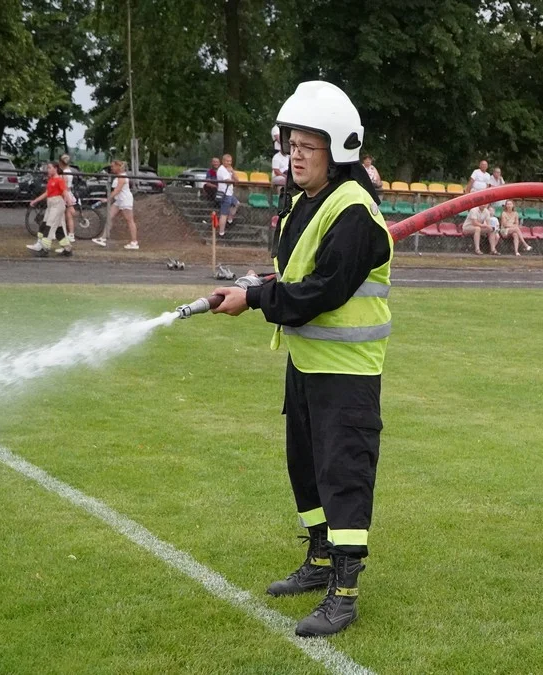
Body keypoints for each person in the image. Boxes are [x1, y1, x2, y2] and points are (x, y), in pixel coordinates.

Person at [210, 80, 392, 638]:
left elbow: (321, 291)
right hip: (309, 366)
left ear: (337, 151)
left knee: (344, 477)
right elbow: (294, 275)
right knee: (306, 471)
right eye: (291, 144)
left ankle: (345, 591)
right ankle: (317, 563)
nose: (295, 155)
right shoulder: (304, 203)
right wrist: (256, 282)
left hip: (347, 373)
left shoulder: (353, 210)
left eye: (307, 147)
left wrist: (256, 298)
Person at [93, 159, 139, 249]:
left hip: (125, 200)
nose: (111, 168)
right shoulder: (118, 176)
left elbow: (117, 190)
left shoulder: (122, 177)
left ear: (118, 167)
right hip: (119, 200)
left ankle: (134, 242)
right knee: (109, 217)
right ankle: (103, 238)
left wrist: (107, 199)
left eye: (113, 166)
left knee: (129, 220)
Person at [26, 163, 70, 256]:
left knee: (49, 226)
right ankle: (67, 248)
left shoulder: (59, 180)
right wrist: (36, 200)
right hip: (51, 204)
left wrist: (69, 204)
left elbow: (65, 192)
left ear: (56, 168)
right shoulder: (51, 180)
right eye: (48, 168)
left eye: (50, 168)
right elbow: (47, 193)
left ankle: (45, 248)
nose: (48, 170)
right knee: (54, 226)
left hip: (57, 204)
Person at [216, 154, 240, 237]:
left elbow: (237, 180)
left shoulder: (229, 169)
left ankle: (230, 219)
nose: (229, 163)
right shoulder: (222, 170)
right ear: (223, 161)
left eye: (230, 161)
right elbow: (228, 181)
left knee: (236, 204)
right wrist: (233, 179)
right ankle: (221, 233)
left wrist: (233, 172)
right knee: (224, 213)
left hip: (230, 193)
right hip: (225, 193)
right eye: (227, 161)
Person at [58, 154, 78, 248]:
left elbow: (64, 186)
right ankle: (71, 234)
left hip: (65, 194)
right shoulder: (69, 171)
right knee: (69, 215)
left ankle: (62, 233)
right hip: (69, 192)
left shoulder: (63, 173)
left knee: (61, 214)